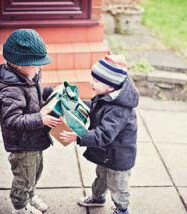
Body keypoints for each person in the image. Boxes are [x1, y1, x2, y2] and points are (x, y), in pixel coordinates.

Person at [0, 29, 61, 214]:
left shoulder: (30, 76)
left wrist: (52, 92)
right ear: (20, 64)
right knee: (23, 178)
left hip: (33, 139)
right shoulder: (10, 89)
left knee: (36, 171)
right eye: (37, 64)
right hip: (22, 145)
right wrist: (40, 118)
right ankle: (19, 206)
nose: (40, 68)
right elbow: (12, 120)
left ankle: (30, 195)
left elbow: (35, 95)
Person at [60, 54, 139, 214]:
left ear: (110, 86)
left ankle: (121, 209)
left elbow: (104, 135)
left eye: (96, 81)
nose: (91, 82)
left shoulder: (118, 110)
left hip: (118, 156)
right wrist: (78, 104)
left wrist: (79, 136)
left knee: (118, 185)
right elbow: (96, 106)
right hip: (107, 153)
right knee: (101, 177)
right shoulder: (107, 96)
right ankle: (97, 198)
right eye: (92, 78)